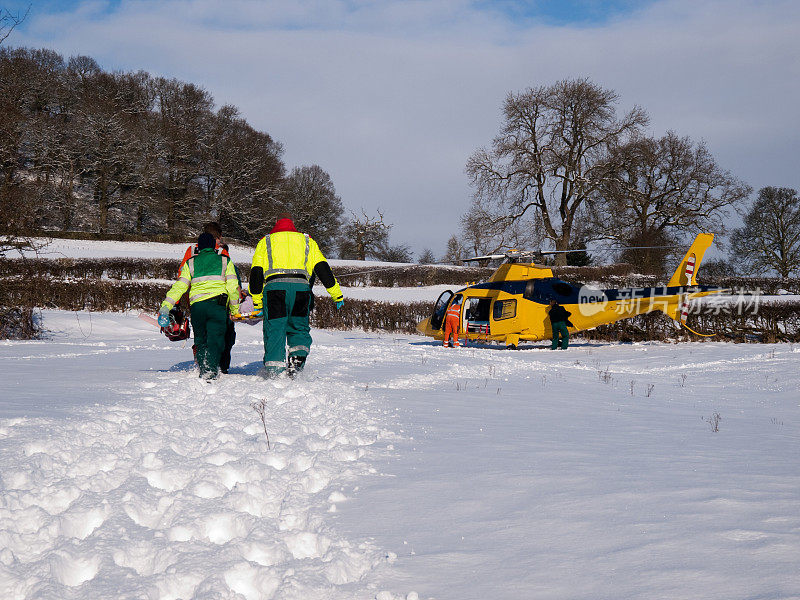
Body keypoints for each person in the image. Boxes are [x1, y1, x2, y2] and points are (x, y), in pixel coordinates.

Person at [249, 213, 343, 378]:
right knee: (299, 327)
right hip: (301, 289)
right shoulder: (307, 241)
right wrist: (336, 294)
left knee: (275, 329)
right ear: (293, 224)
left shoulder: (266, 242)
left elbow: (256, 273)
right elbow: (322, 268)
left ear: (275, 223)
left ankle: (274, 373)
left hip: (274, 290)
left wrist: (257, 301)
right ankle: (296, 366)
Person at [159, 233, 241, 379]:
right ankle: (211, 371)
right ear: (213, 246)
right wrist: (235, 309)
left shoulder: (190, 263)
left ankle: (204, 369)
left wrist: (166, 305)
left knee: (200, 340)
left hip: (197, 307)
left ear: (199, 247)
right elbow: (233, 287)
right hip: (218, 305)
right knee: (215, 340)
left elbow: (180, 286)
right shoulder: (224, 261)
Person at [178, 222, 244, 374]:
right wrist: (237, 301)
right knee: (222, 335)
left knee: (201, 336)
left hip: (195, 301)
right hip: (219, 302)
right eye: (220, 239)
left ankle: (203, 364)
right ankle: (219, 367)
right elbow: (232, 280)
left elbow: (181, 278)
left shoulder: (191, 252)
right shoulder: (221, 254)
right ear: (217, 238)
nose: (221, 242)